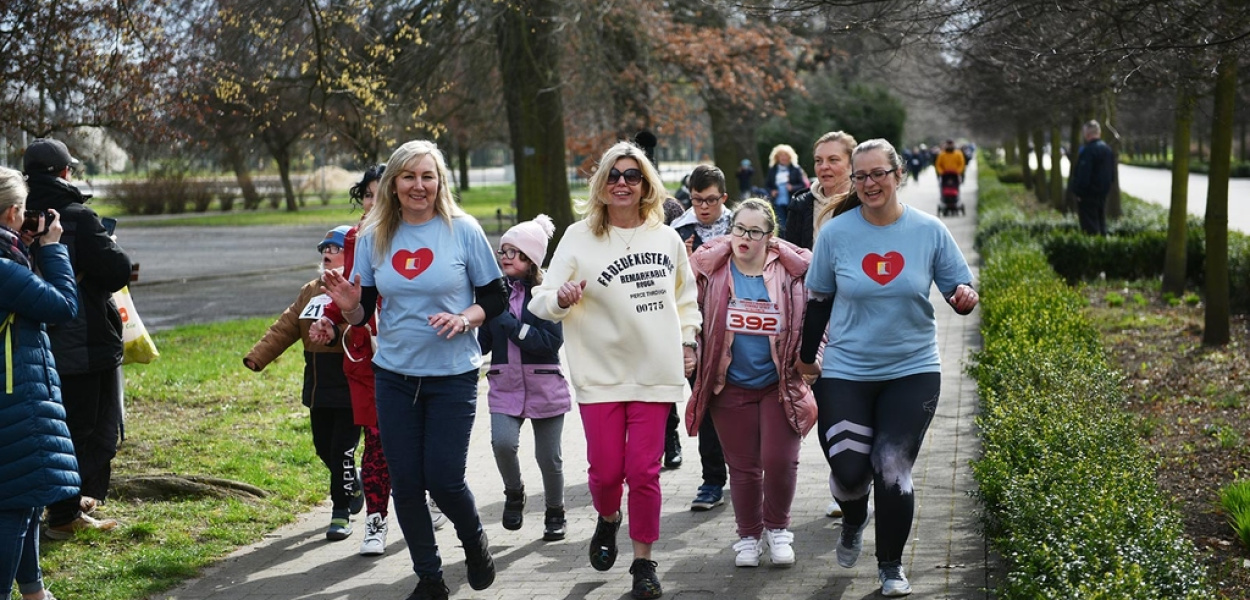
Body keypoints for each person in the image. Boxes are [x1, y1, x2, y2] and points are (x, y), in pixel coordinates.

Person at [322, 140, 506, 600]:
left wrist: (465, 319)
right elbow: (362, 310)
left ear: (440, 181)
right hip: (394, 375)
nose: (418, 186)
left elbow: (495, 297)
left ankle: (474, 541)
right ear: (393, 184)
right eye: (409, 177)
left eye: (427, 176)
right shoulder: (374, 234)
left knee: (443, 479)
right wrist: (348, 308)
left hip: (453, 376)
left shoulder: (463, 230)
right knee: (405, 482)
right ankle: (430, 579)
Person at [797, 139, 978, 597]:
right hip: (845, 371)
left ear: (898, 174)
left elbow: (959, 286)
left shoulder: (929, 230)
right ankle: (854, 519)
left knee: (892, 467)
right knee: (851, 472)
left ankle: (891, 566)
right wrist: (804, 360)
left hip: (911, 369)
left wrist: (963, 298)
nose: (870, 183)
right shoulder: (836, 235)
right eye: (861, 176)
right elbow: (818, 302)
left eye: (879, 174)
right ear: (852, 182)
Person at [529, 141, 701, 600]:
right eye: (613, 175)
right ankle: (608, 518)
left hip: (656, 371)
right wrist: (561, 298)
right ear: (601, 185)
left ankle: (644, 565)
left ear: (646, 184)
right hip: (599, 373)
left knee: (644, 472)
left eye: (632, 175)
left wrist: (688, 342)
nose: (622, 183)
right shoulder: (579, 236)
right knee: (607, 473)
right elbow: (540, 297)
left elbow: (686, 300)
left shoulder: (665, 237)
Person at [309, 165, 436, 558]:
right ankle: (376, 521)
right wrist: (329, 320)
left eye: (381, 194)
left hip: (423, 354)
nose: (373, 202)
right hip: (370, 362)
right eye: (367, 194)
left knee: (420, 441)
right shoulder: (354, 239)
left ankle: (427, 496)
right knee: (378, 443)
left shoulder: (429, 233)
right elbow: (347, 290)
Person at [686, 198, 819, 568]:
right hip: (730, 386)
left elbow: (816, 319)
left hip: (780, 384)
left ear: (770, 237)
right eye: (739, 229)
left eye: (754, 232)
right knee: (743, 468)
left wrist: (814, 357)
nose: (744, 237)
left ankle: (778, 530)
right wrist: (689, 350)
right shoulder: (711, 271)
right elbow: (688, 317)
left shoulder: (792, 272)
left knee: (779, 460)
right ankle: (748, 536)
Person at [24, 138, 129, 540]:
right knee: (86, 428)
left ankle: (62, 505)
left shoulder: (16, 214)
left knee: (51, 425)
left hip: (33, 340)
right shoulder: (75, 217)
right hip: (82, 340)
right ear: (65, 172)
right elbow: (117, 269)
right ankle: (65, 514)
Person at [244, 225, 364, 540]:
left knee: (342, 450)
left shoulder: (359, 288)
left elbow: (364, 330)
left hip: (351, 384)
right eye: (324, 247)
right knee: (323, 448)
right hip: (318, 386)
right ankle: (353, 483)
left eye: (335, 247)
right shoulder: (310, 290)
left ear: (350, 253)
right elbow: (285, 327)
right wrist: (258, 356)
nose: (326, 251)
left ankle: (340, 513)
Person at [1, 168, 77, 600]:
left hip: (16, 397)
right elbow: (64, 305)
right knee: (13, 507)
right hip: (14, 402)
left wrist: (25, 247)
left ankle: (34, 592)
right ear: (13, 212)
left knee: (27, 500)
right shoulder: (5, 269)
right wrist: (53, 248)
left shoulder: (9, 259)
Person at [478, 214, 572, 541]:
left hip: (545, 386)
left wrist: (512, 327)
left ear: (530, 259)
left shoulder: (546, 294)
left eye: (512, 252)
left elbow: (550, 342)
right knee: (502, 443)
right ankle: (514, 492)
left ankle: (555, 511)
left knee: (549, 457)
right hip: (505, 385)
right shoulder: (494, 294)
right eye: (502, 251)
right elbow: (484, 342)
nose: (504, 257)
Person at [666, 165, 732, 510]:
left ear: (723, 197)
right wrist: (687, 264)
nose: (703, 207)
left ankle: (747, 470)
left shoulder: (742, 226)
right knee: (704, 402)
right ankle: (712, 479)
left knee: (738, 403)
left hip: (737, 328)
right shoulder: (678, 230)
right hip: (696, 329)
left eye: (710, 200)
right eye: (695, 200)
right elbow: (668, 281)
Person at [784, 131, 857, 251]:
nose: (824, 167)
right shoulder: (800, 205)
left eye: (833, 160)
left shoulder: (865, 203)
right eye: (818, 160)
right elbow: (791, 256)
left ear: (852, 164)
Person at [1068, 120, 1116, 236]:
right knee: (1101, 224)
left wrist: (1078, 192)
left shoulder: (1088, 151)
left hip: (1088, 196)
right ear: (1099, 133)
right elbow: (1112, 174)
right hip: (1102, 194)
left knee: (1090, 228)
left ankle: (1093, 251)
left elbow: (1084, 175)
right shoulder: (1108, 150)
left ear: (1087, 134)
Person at [764, 144, 808, 232]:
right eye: (781, 155)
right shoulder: (772, 170)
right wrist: (772, 191)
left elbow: (803, 185)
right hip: (778, 201)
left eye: (786, 155)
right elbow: (767, 186)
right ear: (777, 157)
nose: (784, 157)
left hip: (791, 201)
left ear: (790, 157)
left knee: (792, 223)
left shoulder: (795, 169)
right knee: (781, 224)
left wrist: (792, 187)